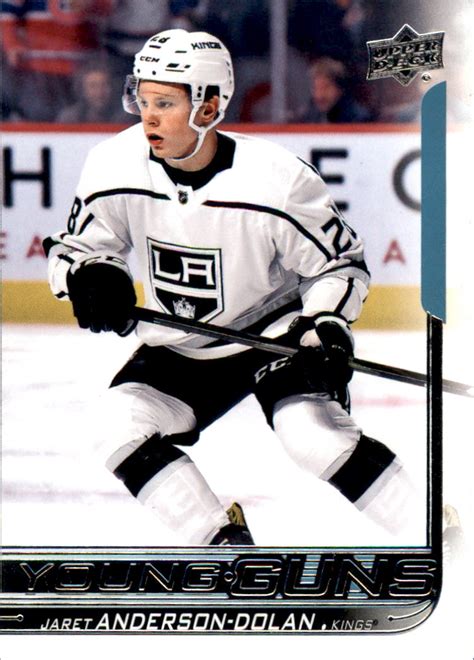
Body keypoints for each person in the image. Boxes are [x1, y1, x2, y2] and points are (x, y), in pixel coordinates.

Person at [44, 28, 420, 545]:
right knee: (115, 427)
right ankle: (224, 546)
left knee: (311, 435)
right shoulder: (113, 164)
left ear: (208, 107)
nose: (148, 117)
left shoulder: (278, 180)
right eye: (143, 100)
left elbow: (337, 266)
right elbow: (77, 248)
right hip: (184, 344)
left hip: (276, 333)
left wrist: (326, 325)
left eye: (165, 103)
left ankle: (441, 533)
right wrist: (89, 274)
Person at [295, 57, 373, 123]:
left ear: (340, 88)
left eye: (326, 87)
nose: (319, 95)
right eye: (315, 88)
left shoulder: (358, 119)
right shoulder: (309, 117)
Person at [56, 59, 135, 124]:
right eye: (93, 86)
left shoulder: (125, 117)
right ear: (82, 89)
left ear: (112, 88)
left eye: (104, 85)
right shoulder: (69, 118)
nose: (99, 92)